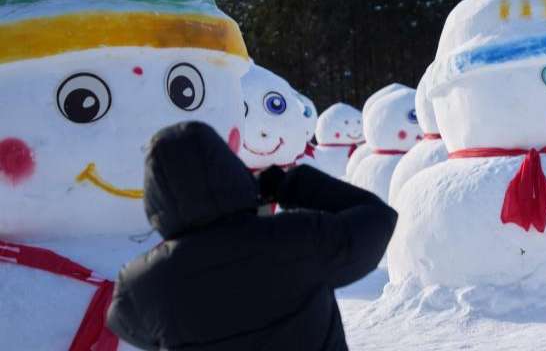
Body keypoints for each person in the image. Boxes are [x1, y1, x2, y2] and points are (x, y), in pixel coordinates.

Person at [106, 121, 397, 351]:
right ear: (230, 170)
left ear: (156, 196)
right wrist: (292, 185)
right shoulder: (300, 238)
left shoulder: (143, 286)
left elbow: (128, 325)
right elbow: (377, 219)